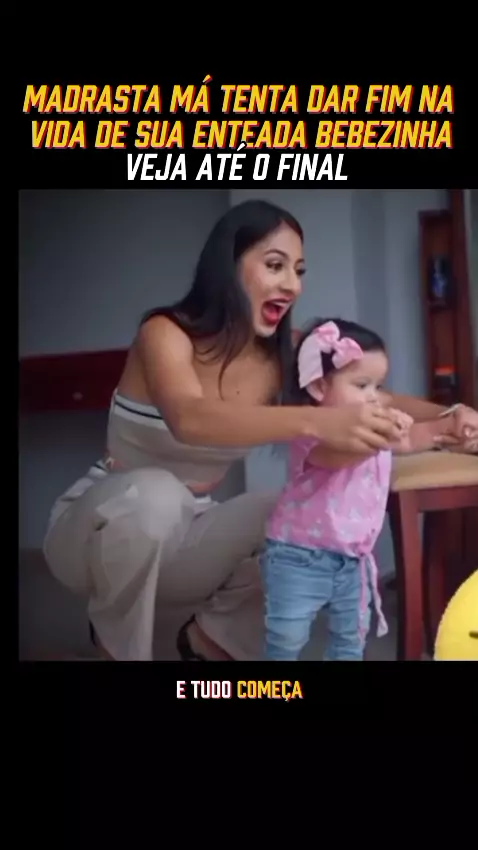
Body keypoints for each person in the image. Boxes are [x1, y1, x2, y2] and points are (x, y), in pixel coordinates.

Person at [42, 200, 478, 662]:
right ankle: (115, 648)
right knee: (155, 494)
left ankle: (213, 640)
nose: (292, 284)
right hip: (92, 537)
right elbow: (191, 418)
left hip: (188, 533)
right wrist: (318, 420)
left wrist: (451, 417)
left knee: (303, 516)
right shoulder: (165, 333)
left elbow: (374, 395)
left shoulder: (285, 356)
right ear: (228, 266)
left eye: (299, 271)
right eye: (275, 265)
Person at [260, 318, 450, 662]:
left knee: (351, 639)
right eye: (362, 385)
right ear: (319, 387)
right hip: (298, 556)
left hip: (354, 560)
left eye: (378, 386)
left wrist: (446, 428)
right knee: (287, 638)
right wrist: (387, 433)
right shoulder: (309, 429)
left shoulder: (375, 430)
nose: (374, 397)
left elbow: (411, 439)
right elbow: (342, 454)